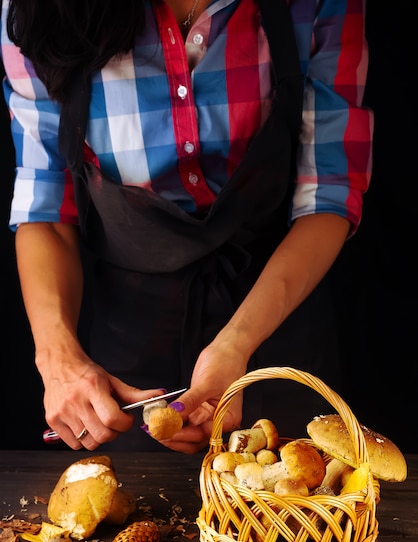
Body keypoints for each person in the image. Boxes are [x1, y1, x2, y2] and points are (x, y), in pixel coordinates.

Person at [0, 0, 373, 454]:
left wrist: (236, 344)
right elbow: (46, 208)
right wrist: (58, 358)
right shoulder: (40, 11)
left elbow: (328, 196)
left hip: (279, 323)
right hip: (126, 356)